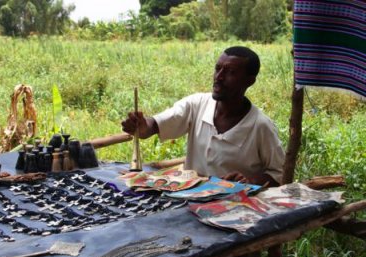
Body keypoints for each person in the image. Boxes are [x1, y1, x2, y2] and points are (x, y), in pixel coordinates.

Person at [121, 46, 285, 187]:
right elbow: (156, 124)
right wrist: (142, 127)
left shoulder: (261, 126)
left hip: (236, 209)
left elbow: (280, 174)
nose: (218, 77)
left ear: (250, 81)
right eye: (217, 68)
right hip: (190, 204)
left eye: (230, 72)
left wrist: (251, 180)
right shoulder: (196, 104)